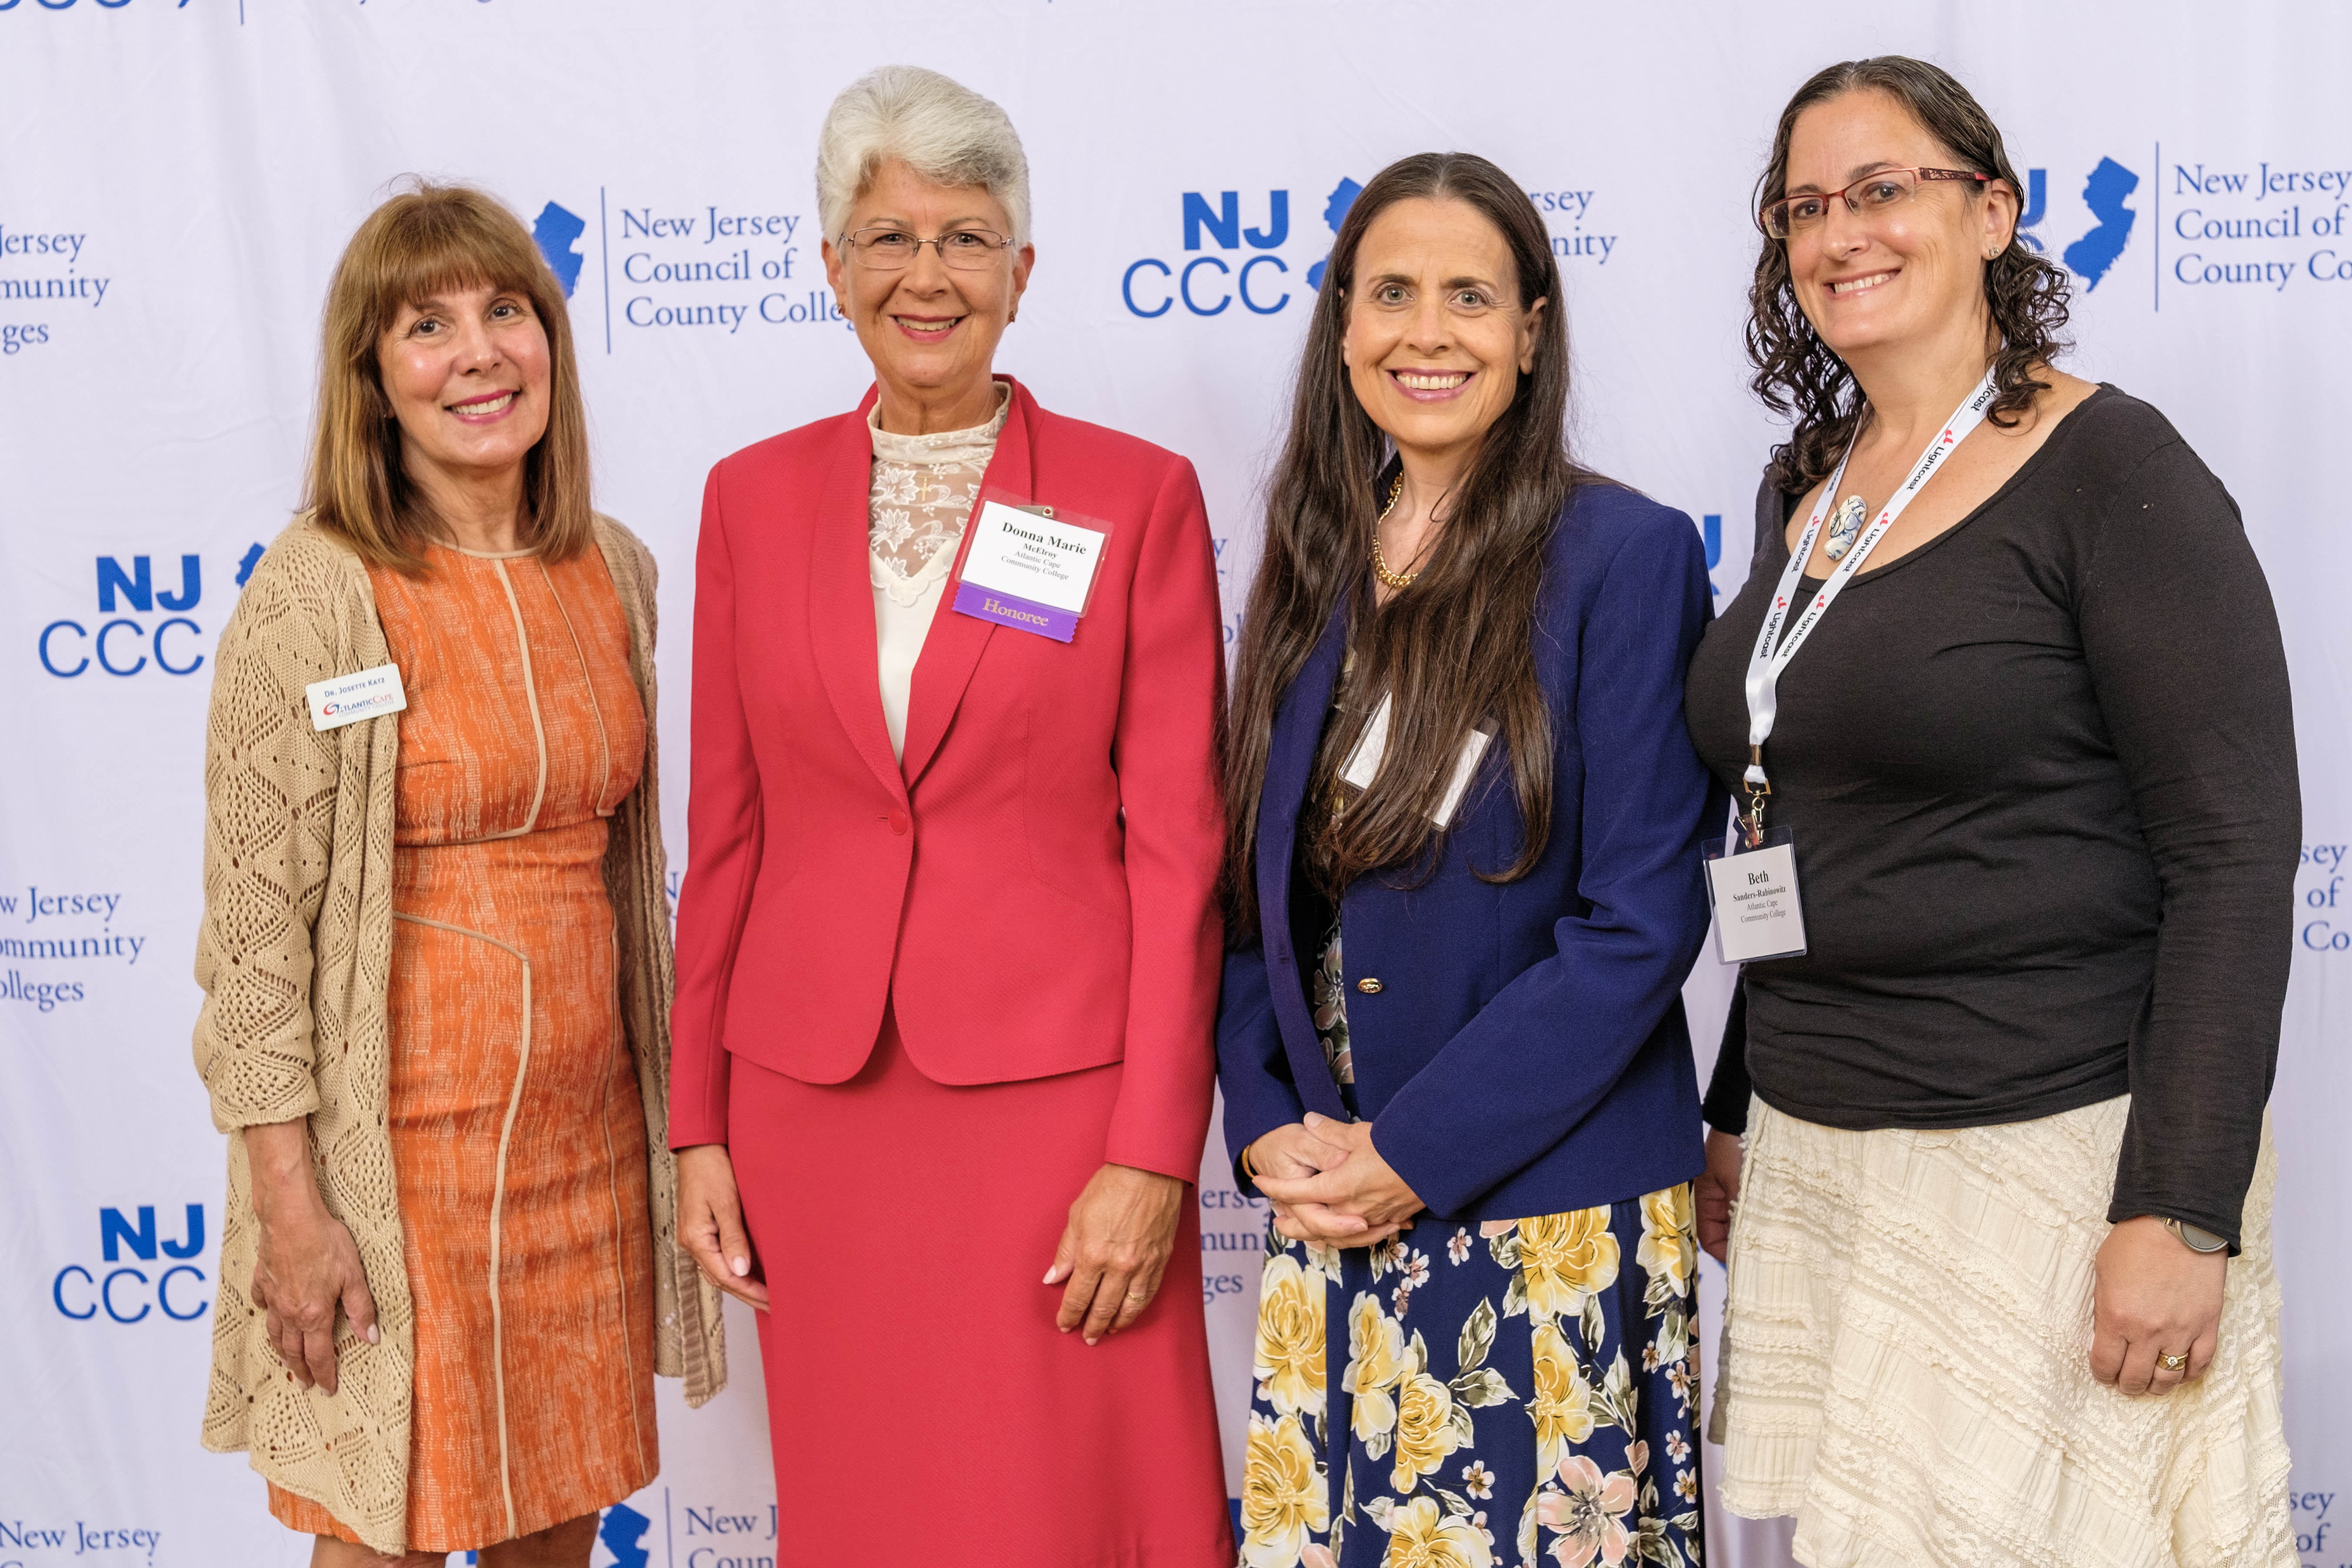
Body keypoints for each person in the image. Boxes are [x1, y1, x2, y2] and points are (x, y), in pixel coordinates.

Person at [1685, 56, 2298, 1568]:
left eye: (1885, 188)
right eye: (1806, 207)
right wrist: (1738, 1104)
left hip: (2052, 1165)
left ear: (1996, 213)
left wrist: (2183, 1207)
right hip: (1829, 1161)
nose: (1842, 234)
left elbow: (2230, 852)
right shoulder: (1807, 487)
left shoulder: (2115, 472)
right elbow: (1796, 814)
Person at [666, 66, 1231, 1567]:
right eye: (891, 236)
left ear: (1023, 271)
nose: (930, 274)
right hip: (813, 1104)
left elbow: (1182, 851)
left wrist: (1156, 1150)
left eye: (969, 237)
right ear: (834, 265)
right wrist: (696, 1122)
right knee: (870, 1504)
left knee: (1069, 1497)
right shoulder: (748, 499)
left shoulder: (1136, 498)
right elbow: (726, 831)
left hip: (1058, 1105)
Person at [191, 184, 724, 1568]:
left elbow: (633, 878)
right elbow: (252, 935)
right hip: (390, 1164)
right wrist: (294, 1204)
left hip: (587, 1150)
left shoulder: (615, 569)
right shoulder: (316, 588)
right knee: (392, 1531)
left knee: (559, 1510)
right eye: (426, 326)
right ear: (372, 382)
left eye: (507, 312)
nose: (479, 354)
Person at [1216, 152, 1717, 1568]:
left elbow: (1638, 922)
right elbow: (1254, 904)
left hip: (1538, 1210)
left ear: (1533, 330)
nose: (1426, 333)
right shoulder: (1310, 561)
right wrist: (1266, 1126)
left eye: (1470, 296)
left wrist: (1414, 1156)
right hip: (1332, 1208)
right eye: (1391, 293)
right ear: (1342, 324)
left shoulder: (1623, 555)